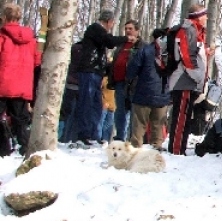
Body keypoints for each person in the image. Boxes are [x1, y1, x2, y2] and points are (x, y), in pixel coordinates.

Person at [73, 10, 128, 146]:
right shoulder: (95, 29)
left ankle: (93, 133)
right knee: (87, 102)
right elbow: (109, 41)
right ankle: (83, 134)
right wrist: (126, 38)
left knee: (96, 104)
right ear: (109, 21)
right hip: (89, 70)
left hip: (97, 72)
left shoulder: (98, 32)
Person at [168, 4, 213, 155]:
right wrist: (197, 75)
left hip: (189, 81)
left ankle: (179, 148)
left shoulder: (196, 31)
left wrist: (205, 53)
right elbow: (186, 55)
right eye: (205, 15)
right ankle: (176, 150)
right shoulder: (188, 29)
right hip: (183, 80)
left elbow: (194, 53)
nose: (207, 18)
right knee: (181, 117)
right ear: (198, 15)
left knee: (185, 117)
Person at [0, 4, 41, 156]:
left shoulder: (2, 37)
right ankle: (26, 149)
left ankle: (3, 149)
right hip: (22, 86)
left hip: (2, 84)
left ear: (4, 17)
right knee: (21, 120)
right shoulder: (31, 40)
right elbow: (37, 61)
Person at [126, 28, 171, 149]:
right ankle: (157, 147)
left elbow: (132, 69)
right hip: (162, 93)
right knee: (158, 123)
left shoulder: (144, 50)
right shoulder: (170, 52)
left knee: (140, 124)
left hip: (143, 92)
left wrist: (129, 81)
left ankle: (136, 146)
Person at [108, 19, 142, 139]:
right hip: (119, 82)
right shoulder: (121, 45)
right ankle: (120, 136)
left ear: (137, 31)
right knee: (120, 111)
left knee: (134, 111)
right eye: (126, 29)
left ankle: (132, 137)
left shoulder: (141, 45)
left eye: (130, 29)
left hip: (134, 84)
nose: (128, 31)